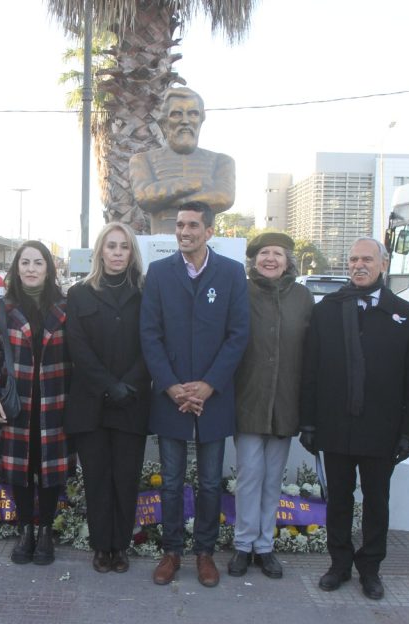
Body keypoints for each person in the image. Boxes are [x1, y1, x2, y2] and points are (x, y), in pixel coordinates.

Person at [300, 237, 409, 600]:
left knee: (376, 500)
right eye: (353, 259)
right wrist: (308, 423)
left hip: (381, 428)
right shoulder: (327, 309)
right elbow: (311, 369)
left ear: (382, 264)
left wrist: (408, 432)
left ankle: (370, 568)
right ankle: (339, 564)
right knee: (338, 498)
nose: (359, 265)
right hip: (335, 424)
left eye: (367, 259)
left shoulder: (405, 313)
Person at [140, 200, 249, 587]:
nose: (184, 232)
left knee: (208, 483)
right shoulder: (158, 273)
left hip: (212, 399)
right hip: (171, 398)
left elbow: (238, 336)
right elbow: (149, 335)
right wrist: (171, 386)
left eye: (192, 226)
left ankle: (204, 553)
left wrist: (207, 385)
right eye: (179, 225)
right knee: (170, 483)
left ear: (209, 231)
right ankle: (172, 552)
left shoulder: (233, 273)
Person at [65, 223, 151, 574]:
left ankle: (122, 546)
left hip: (132, 401)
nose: (117, 253)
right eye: (111, 246)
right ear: (100, 251)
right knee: (97, 478)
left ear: (132, 253)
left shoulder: (147, 293)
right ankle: (103, 546)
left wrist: (128, 383)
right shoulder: (79, 293)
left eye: (124, 247)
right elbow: (77, 347)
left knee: (126, 478)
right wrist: (107, 385)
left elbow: (153, 343)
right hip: (91, 403)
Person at [229, 232, 314, 580]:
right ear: (254, 259)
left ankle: (265, 547)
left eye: (278, 253)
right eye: (264, 253)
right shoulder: (241, 293)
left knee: (272, 480)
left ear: (288, 260)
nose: (271, 259)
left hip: (285, 402)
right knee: (249, 475)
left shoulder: (303, 297)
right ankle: (242, 545)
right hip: (248, 400)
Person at [0, 241, 72, 566]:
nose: (31, 268)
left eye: (38, 263)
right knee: (19, 469)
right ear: (16, 268)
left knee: (51, 468)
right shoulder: (0, 308)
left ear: (49, 269)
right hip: (15, 402)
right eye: (25, 263)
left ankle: (46, 530)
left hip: (55, 400)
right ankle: (25, 530)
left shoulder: (65, 306)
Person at [129, 88, 235, 234]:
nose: (185, 121)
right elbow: (144, 197)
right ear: (164, 121)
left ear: (201, 119)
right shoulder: (142, 160)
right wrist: (195, 183)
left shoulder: (222, 161)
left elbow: (224, 198)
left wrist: (163, 199)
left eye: (193, 114)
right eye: (177, 114)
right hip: (160, 244)